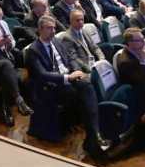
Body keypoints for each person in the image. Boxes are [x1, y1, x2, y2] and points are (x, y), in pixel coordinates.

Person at [26, 16, 112, 156]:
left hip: (68, 78)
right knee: (84, 93)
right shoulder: (33, 50)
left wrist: (77, 70)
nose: (53, 31)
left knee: (88, 86)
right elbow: (42, 75)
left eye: (54, 28)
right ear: (40, 29)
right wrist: (67, 77)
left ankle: (93, 135)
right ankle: (94, 136)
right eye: (49, 28)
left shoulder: (56, 42)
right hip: (51, 85)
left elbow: (70, 59)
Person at [57, 9, 105, 73]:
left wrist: (102, 59)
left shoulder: (84, 31)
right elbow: (75, 59)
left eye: (82, 20)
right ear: (71, 21)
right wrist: (91, 69)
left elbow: (95, 48)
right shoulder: (67, 37)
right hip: (84, 68)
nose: (81, 22)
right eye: (77, 20)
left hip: (95, 63)